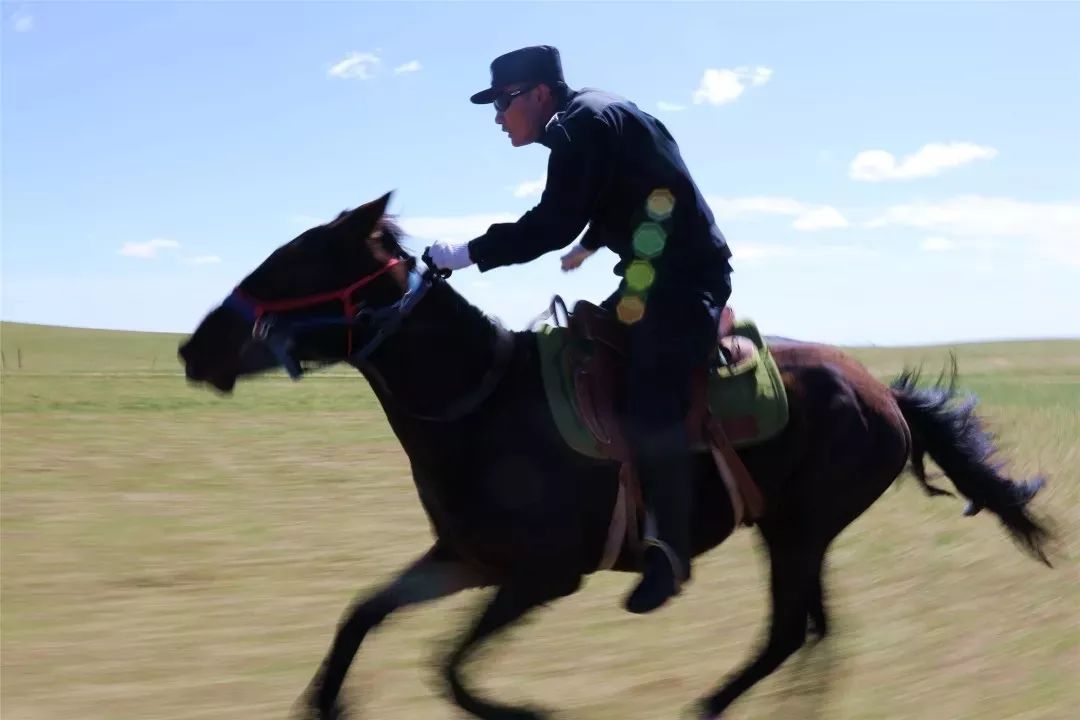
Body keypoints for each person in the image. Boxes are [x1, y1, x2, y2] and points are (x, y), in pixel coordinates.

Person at [428, 45, 734, 614]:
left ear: (539, 93)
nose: (497, 116)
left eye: (503, 101)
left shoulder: (578, 128)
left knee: (650, 398)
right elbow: (645, 188)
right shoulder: (597, 114)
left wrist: (467, 253)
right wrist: (591, 243)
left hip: (683, 282)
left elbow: (551, 221)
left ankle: (670, 548)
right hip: (651, 276)